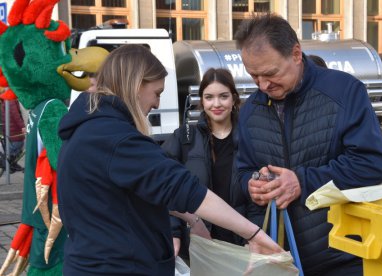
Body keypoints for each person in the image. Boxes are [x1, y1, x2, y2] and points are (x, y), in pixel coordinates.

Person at [57, 44, 283, 275]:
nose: (156, 104)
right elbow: (180, 187)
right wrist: (254, 234)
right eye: (157, 93)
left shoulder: (90, 131)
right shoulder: (115, 139)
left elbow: (145, 187)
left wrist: (194, 220)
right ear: (136, 84)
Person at [234, 13, 382, 275]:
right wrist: (251, 184)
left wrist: (302, 182)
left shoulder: (344, 91)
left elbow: (371, 164)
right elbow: (240, 172)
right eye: (254, 76)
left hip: (343, 257)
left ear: (296, 54)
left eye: (270, 73)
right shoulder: (250, 110)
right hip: (279, 260)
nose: (263, 85)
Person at [163, 68, 264, 259]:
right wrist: (174, 232)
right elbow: (167, 188)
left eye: (223, 96)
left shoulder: (251, 137)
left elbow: (258, 196)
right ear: (202, 101)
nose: (216, 104)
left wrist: (254, 235)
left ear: (234, 99)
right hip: (198, 245)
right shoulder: (184, 138)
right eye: (209, 97)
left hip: (242, 244)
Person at [0, 87, 25, 173]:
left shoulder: (8, 99)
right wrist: (22, 126)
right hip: (14, 129)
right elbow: (16, 115)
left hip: (10, 128)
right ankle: (7, 163)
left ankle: (10, 164)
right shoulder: (11, 100)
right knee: (17, 145)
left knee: (14, 147)